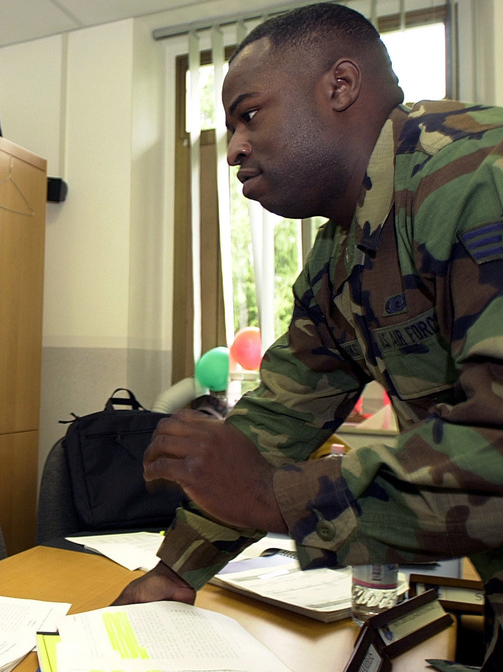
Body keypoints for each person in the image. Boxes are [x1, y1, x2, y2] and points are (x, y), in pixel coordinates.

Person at [115, 4, 503, 671]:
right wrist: (178, 569)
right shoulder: (341, 255)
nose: (232, 146)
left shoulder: (474, 174)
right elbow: (279, 415)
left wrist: (276, 495)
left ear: (340, 86)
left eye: (249, 114)